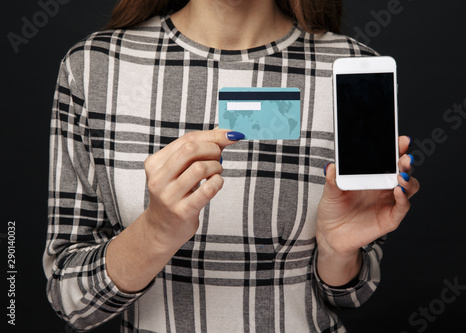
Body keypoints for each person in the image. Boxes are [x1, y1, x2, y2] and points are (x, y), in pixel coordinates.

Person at [43, 0, 419, 332]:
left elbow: (352, 297)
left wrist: (339, 252)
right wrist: (155, 233)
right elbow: (70, 302)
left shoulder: (355, 73)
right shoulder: (93, 69)